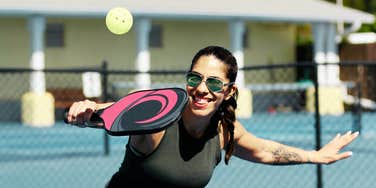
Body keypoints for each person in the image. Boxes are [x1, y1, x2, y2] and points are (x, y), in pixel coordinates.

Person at [66, 46, 359, 187]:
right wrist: (89, 109)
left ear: (229, 92)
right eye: (195, 78)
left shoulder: (223, 130)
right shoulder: (157, 122)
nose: (202, 89)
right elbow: (120, 110)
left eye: (214, 83)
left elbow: (265, 151)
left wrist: (314, 156)